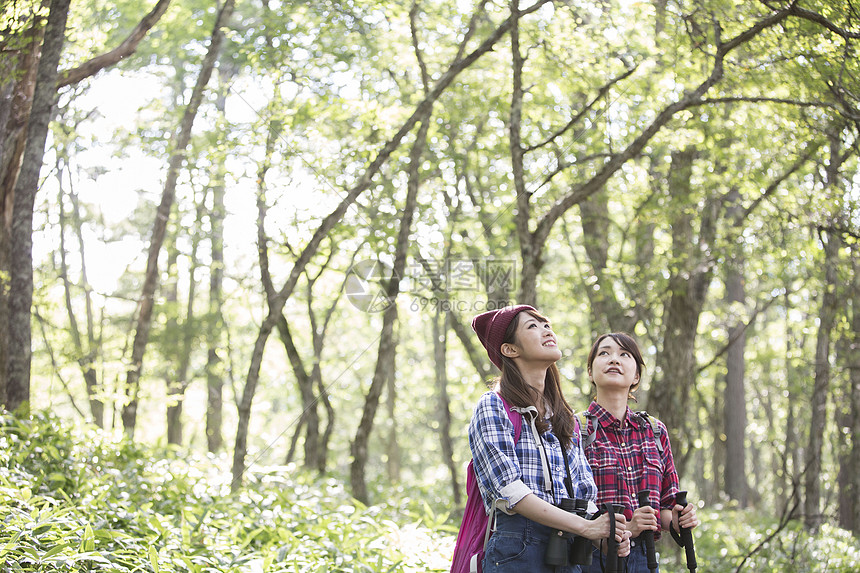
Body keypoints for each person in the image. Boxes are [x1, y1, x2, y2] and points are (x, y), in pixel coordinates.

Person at [469, 305, 629, 573]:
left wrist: (601, 536)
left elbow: (583, 491)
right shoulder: (493, 406)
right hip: (517, 549)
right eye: (532, 326)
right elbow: (511, 492)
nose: (546, 330)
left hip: (567, 549)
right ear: (510, 349)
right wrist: (586, 526)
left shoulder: (564, 418)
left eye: (546, 324)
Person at [579, 332, 700, 573]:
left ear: (636, 376)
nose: (614, 359)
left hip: (646, 558)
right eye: (604, 353)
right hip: (591, 558)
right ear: (591, 372)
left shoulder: (654, 430)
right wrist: (623, 528)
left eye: (624, 354)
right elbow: (570, 506)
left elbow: (666, 503)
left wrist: (677, 520)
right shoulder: (575, 428)